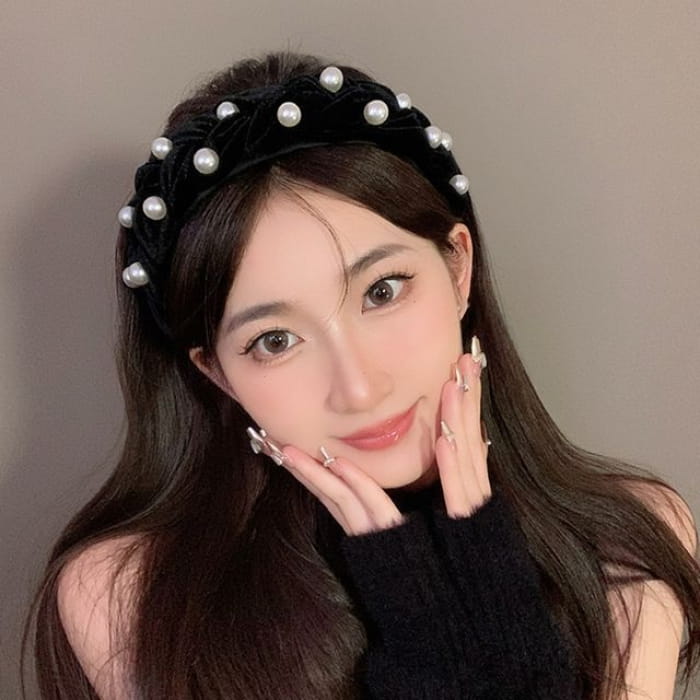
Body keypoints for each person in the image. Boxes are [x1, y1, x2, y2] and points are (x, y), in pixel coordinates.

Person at [22, 50, 700, 699]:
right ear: (217, 373)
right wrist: (420, 618)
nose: (359, 387)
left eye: (382, 291)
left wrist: (488, 595)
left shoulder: (627, 542)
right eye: (275, 340)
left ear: (458, 267)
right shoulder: (135, 593)